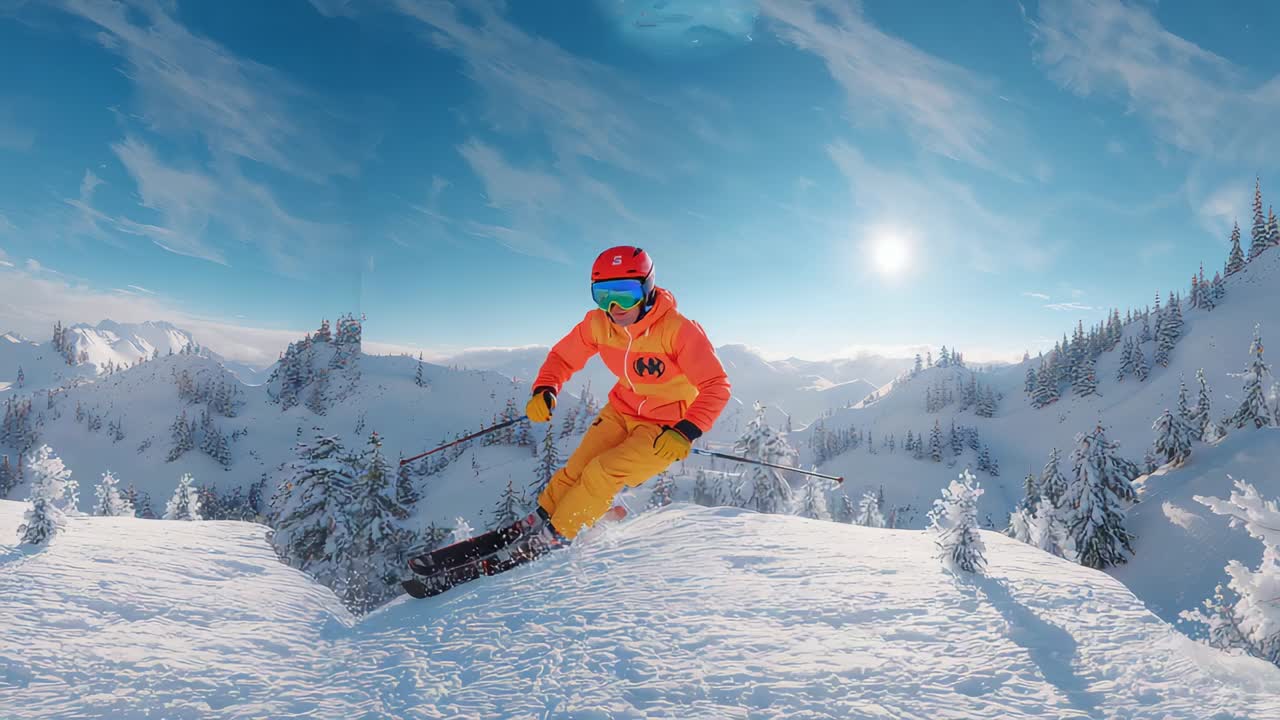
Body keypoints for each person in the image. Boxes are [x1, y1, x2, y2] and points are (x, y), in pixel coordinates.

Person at [525, 245, 731, 542]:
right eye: (604, 295)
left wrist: (686, 430)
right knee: (578, 467)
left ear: (647, 289)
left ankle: (558, 534)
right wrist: (545, 387)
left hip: (664, 428)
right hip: (621, 411)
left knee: (602, 472)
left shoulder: (677, 330)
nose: (615, 307)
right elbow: (563, 357)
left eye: (625, 293)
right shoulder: (597, 324)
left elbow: (717, 384)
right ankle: (543, 515)